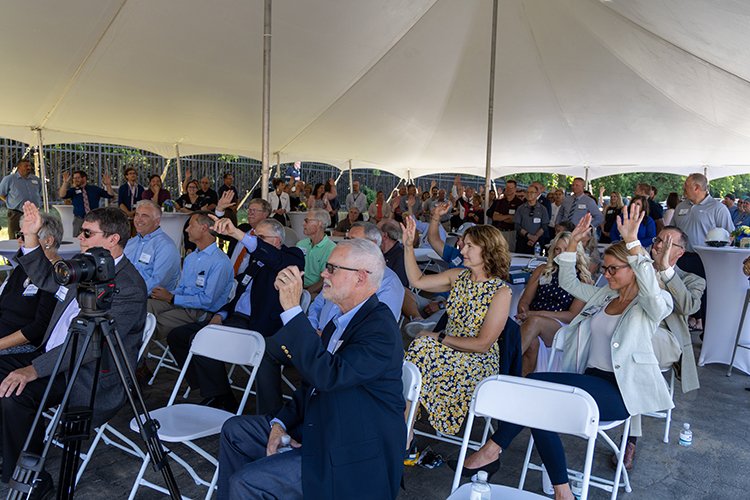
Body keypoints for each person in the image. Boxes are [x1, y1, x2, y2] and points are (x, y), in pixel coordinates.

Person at [453, 208, 674, 500]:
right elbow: (569, 283)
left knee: (537, 388)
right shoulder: (606, 295)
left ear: (633, 268)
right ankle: (562, 491)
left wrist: (634, 243)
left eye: (613, 269)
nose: (605, 274)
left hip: (620, 392)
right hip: (590, 381)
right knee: (538, 400)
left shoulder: (653, 304)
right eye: (604, 268)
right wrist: (572, 246)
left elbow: (652, 293)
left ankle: (492, 449)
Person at [217, 239, 405, 499]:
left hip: (347, 449)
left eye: (332, 268)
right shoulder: (339, 321)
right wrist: (280, 422)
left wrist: (294, 311)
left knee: (246, 483)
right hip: (318, 425)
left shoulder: (380, 329)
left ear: (361, 278)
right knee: (235, 431)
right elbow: (311, 385)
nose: (324, 274)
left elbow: (328, 376)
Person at [0, 203, 146, 492]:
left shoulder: (128, 286)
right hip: (50, 356)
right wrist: (30, 237)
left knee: (15, 395)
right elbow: (44, 278)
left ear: (113, 239)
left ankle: (32, 478)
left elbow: (91, 345)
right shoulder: (86, 265)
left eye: (88, 233)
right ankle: (12, 448)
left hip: (86, 373)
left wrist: (33, 370)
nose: (80, 237)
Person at [168, 217, 304, 414]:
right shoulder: (256, 263)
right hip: (234, 318)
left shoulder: (291, 256)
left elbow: (276, 260)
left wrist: (240, 235)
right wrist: (222, 313)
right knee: (179, 336)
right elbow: (239, 295)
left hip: (260, 326)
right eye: (254, 237)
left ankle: (219, 395)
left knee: (203, 339)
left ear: (276, 241)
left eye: (261, 238)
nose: (255, 242)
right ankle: (218, 391)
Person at [402, 216, 511, 437]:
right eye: (464, 244)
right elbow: (417, 282)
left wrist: (438, 337)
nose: (462, 251)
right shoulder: (458, 276)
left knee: (421, 349)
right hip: (444, 351)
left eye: (470, 246)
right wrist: (407, 246)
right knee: (415, 353)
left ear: (488, 250)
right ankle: (406, 428)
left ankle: (404, 428)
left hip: (476, 362)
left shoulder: (501, 292)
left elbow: (482, 345)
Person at [621, 225, 705, 470]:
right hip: (634, 339)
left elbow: (689, 307)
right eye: (658, 240)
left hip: (667, 341)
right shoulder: (637, 268)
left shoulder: (692, 280)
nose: (658, 246)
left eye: (667, 243)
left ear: (680, 251)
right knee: (632, 354)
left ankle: (630, 439)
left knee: (635, 346)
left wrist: (666, 270)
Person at [147, 212, 233, 341]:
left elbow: (208, 301)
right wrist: (166, 294)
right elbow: (182, 287)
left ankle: (141, 358)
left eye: (191, 225)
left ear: (203, 228)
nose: (186, 229)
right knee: (144, 307)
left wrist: (172, 298)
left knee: (154, 323)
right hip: (182, 304)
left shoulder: (220, 262)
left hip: (201, 312)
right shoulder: (191, 257)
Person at [517, 232, 591, 375]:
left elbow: (572, 315)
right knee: (532, 344)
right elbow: (525, 300)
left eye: (566, 249)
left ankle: (502, 367)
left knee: (535, 322)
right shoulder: (542, 270)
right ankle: (518, 381)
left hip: (561, 325)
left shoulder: (582, 279)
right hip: (530, 319)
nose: (561, 254)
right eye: (558, 249)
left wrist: (534, 314)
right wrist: (524, 310)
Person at [307, 222, 404, 327]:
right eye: (348, 240)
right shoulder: (340, 271)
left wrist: (328, 336)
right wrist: (313, 329)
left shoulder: (389, 282)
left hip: (345, 341)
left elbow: (376, 326)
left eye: (355, 242)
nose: (347, 245)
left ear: (373, 244)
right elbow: (317, 305)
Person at [672, 173, 734, 331]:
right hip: (680, 257)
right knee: (680, 292)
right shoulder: (681, 206)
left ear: (697, 187)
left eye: (686, 185)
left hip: (705, 260)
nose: (683, 188)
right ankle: (682, 329)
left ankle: (707, 333)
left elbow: (730, 235)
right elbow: (672, 229)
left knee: (704, 296)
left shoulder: (718, 208)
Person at [0, 213, 60, 355]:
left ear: (48, 241)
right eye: (19, 234)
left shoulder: (56, 275)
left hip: (22, 347)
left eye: (25, 236)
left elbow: (38, 328)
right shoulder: (22, 268)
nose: (19, 240)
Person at [123, 200, 181, 294]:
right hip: (125, 294)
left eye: (144, 216)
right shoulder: (130, 243)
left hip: (152, 299)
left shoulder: (166, 247)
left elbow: (157, 283)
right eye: (137, 214)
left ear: (157, 221)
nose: (138, 219)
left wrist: (129, 294)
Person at [58, 170, 115, 235]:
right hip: (79, 219)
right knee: (77, 239)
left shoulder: (94, 189)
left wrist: (108, 184)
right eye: (74, 178)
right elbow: (61, 195)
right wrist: (65, 183)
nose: (75, 180)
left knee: (93, 237)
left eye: (78, 178)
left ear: (84, 178)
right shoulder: (73, 190)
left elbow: (110, 195)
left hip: (93, 219)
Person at [0, 158, 42, 239]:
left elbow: (39, 191)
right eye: (26, 166)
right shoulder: (9, 179)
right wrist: (9, 201)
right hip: (16, 213)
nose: (29, 168)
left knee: (33, 237)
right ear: (19, 167)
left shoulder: (35, 179)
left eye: (29, 166)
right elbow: (1, 193)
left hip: (33, 213)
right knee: (16, 237)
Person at [296, 209, 336, 293]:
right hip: (297, 287)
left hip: (316, 292)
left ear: (319, 223)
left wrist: (305, 294)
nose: (303, 224)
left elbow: (324, 280)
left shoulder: (331, 249)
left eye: (307, 221)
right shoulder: (301, 244)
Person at [515, 183, 550, 254]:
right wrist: (529, 236)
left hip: (538, 241)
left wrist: (535, 237)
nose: (529, 194)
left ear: (537, 194)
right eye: (527, 192)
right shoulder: (520, 208)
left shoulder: (543, 209)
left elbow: (545, 225)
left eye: (531, 192)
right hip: (523, 241)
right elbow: (517, 225)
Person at [491, 179, 523, 252]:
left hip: (511, 232)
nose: (508, 190)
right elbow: (495, 217)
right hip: (499, 231)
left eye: (510, 188)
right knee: (497, 253)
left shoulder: (519, 203)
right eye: (507, 187)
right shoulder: (500, 202)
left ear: (515, 189)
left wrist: (501, 216)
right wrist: (508, 216)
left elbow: (514, 220)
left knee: (509, 253)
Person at [378, 218, 408, 287]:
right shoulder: (380, 252)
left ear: (384, 236)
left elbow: (399, 284)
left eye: (376, 232)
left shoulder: (401, 256)